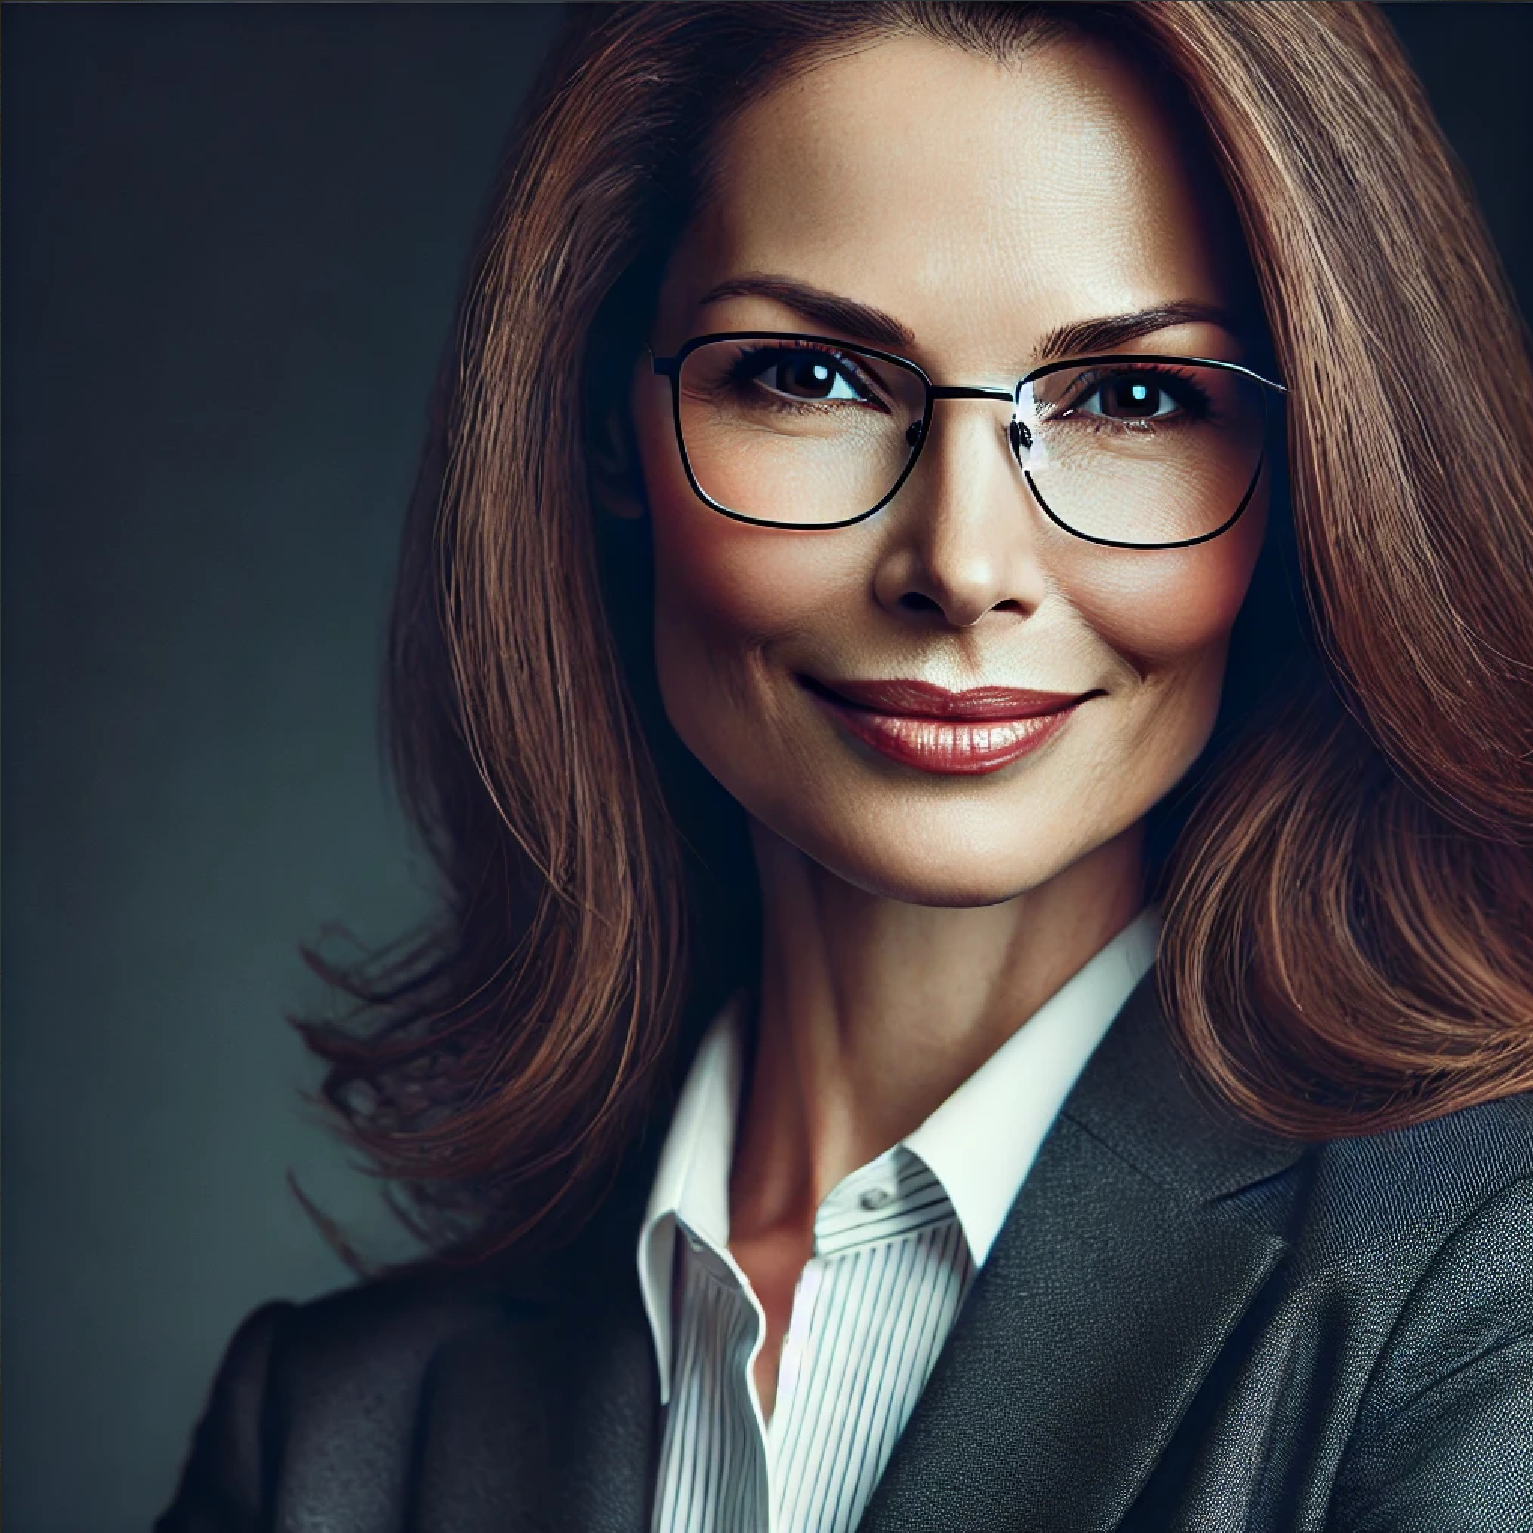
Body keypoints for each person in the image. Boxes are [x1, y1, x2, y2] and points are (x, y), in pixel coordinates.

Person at [157, 4, 1533, 1529]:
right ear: (616, 427)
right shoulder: (334, 1439)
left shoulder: (1486, 1299)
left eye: (1134, 400)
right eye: (812, 377)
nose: (963, 565)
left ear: (1308, 477)